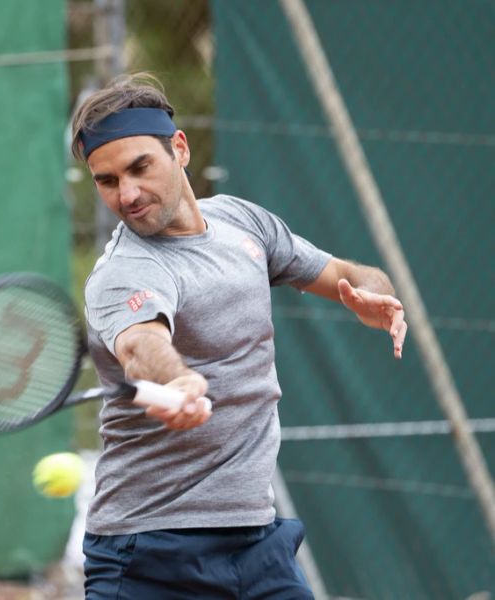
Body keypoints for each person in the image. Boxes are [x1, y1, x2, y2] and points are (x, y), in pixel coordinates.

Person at [71, 74, 408, 599]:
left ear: (178, 149)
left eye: (140, 168)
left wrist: (367, 295)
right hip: (149, 554)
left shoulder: (242, 223)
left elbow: (346, 272)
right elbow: (140, 345)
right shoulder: (123, 270)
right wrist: (179, 379)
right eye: (107, 180)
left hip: (257, 544)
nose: (128, 194)